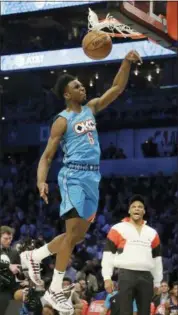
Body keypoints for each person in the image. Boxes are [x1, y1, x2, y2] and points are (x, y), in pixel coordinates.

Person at [21, 50, 142, 313]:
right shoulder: (62, 121)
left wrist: (126, 61)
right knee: (72, 232)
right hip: (73, 176)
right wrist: (42, 181)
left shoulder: (91, 108)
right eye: (76, 85)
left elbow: (117, 88)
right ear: (67, 94)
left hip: (92, 177)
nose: (82, 86)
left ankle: (35, 256)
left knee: (74, 237)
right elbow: (47, 156)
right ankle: (54, 289)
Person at [101, 194, 163, 315]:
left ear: (144, 211)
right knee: (126, 312)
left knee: (145, 312)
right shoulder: (118, 228)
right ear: (129, 210)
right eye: (134, 206)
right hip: (126, 275)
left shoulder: (152, 232)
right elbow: (108, 254)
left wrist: (157, 282)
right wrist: (107, 277)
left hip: (146, 276)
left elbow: (157, 259)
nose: (137, 208)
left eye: (140, 207)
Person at [0, 226, 21, 315]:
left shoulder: (14, 252)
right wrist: (8, 266)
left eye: (10, 238)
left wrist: (22, 277)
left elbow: (18, 271)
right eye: (5, 239)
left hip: (11, 289)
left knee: (12, 312)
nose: (8, 241)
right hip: (1, 290)